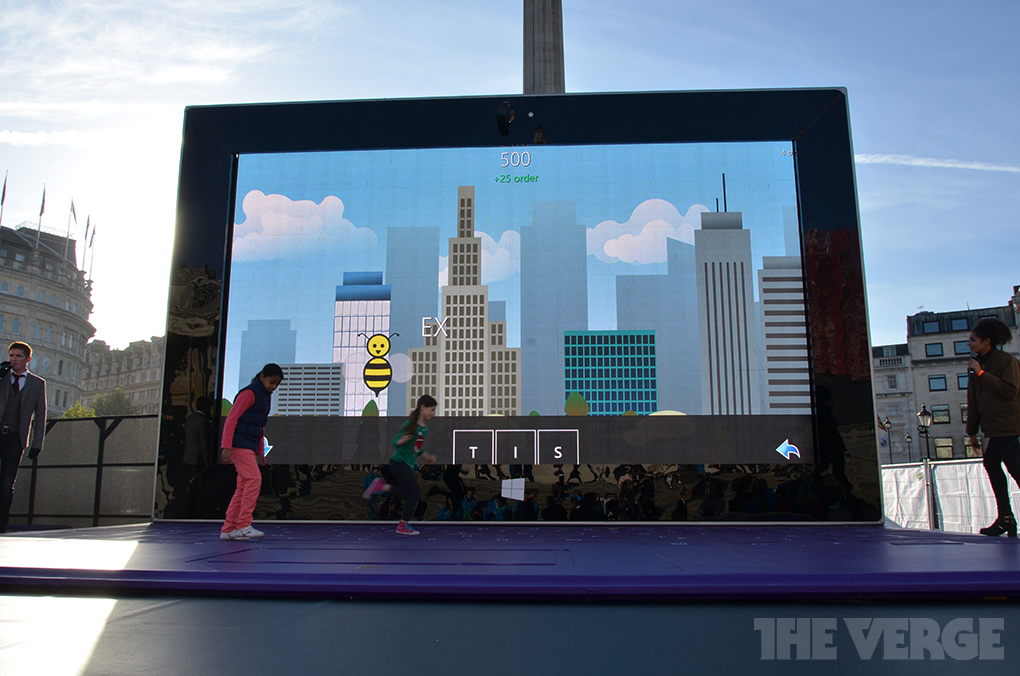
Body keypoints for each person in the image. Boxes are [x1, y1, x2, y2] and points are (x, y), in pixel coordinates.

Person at [965, 318, 1020, 537]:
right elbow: (974, 400)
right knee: (1016, 469)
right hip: (994, 427)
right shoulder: (976, 364)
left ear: (987, 341)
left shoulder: (1007, 361)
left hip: (1010, 424)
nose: (969, 344)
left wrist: (981, 374)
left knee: (991, 461)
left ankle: (1005, 518)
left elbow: (1009, 391)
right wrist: (971, 432)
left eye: (973, 340)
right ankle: (1007, 519)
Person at [219, 363, 284, 541]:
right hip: (239, 445)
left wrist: (260, 451)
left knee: (243, 487)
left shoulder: (264, 396)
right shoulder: (249, 393)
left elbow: (259, 426)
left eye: (277, 384)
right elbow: (231, 419)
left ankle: (228, 528)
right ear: (262, 377)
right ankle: (244, 524)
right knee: (254, 480)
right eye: (272, 382)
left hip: (247, 445)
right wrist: (226, 446)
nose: (274, 387)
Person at [363, 394, 438, 535]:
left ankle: (381, 486)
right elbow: (394, 442)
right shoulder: (411, 425)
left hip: (405, 464)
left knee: (407, 493)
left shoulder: (424, 428)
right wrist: (402, 440)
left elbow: (416, 448)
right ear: (422, 407)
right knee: (415, 493)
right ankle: (402, 525)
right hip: (398, 463)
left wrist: (427, 457)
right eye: (431, 410)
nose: (432, 413)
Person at [0, 342, 47, 534]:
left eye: (18, 356)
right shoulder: (2, 377)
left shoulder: (37, 383)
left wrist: (37, 443)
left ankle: (1, 524)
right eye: (11, 355)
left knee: (6, 484)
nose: (13, 360)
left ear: (28, 359)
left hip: (15, 439)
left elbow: (41, 414)